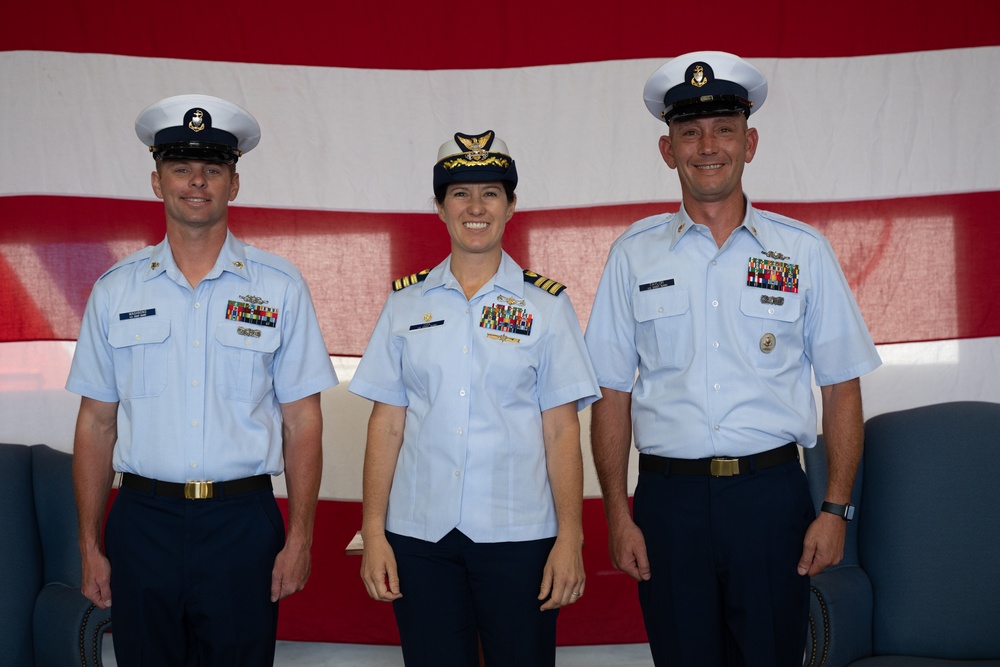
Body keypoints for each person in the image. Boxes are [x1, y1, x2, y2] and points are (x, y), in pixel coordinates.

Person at [584, 52, 882, 665]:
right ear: (668, 151)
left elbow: (841, 387)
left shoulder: (804, 252)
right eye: (689, 132)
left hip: (770, 501)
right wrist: (619, 513)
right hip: (669, 505)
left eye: (723, 129)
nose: (707, 146)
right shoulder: (632, 256)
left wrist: (836, 508)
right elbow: (611, 393)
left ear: (750, 141)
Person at [67, 94, 338, 666]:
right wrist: (90, 545)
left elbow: (301, 417)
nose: (197, 181)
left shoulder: (278, 287)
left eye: (213, 168)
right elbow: (96, 422)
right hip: (144, 525)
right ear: (156, 181)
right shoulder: (117, 290)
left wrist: (301, 536)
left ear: (233, 184)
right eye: (181, 168)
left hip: (242, 527)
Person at [349, 130, 601, 666]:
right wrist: (373, 532)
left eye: (490, 192)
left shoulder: (548, 306)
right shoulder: (404, 303)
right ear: (439, 207)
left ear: (511, 205)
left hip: (520, 535)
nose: (476, 207)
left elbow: (560, 431)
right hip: (420, 538)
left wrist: (570, 537)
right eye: (460, 193)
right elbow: (387, 424)